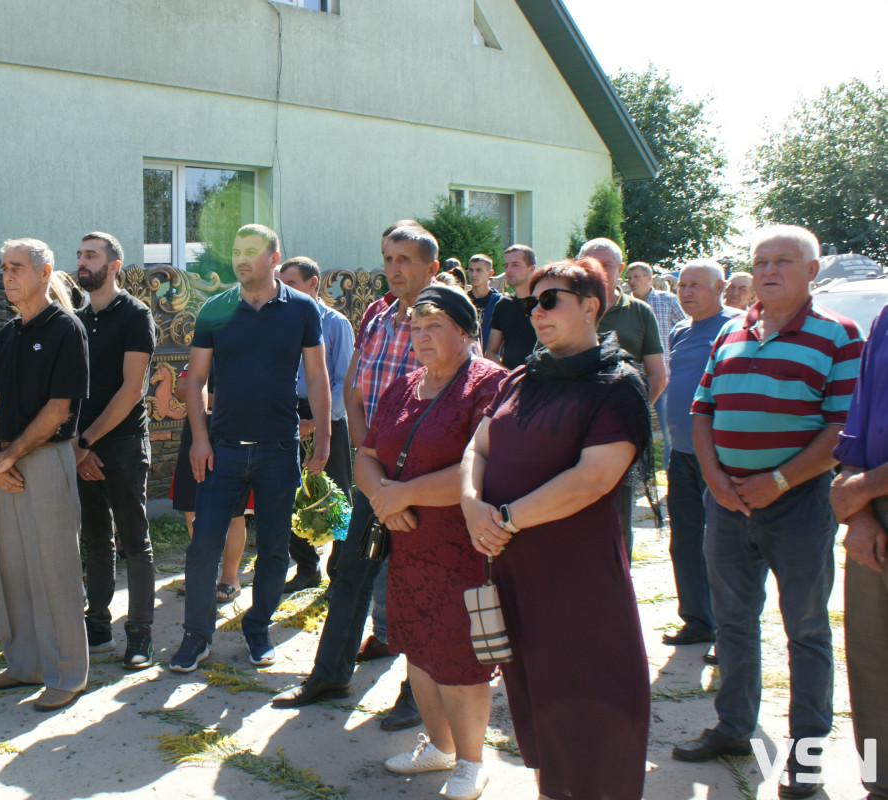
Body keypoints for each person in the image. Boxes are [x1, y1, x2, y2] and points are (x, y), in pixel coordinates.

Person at [673, 226, 862, 799]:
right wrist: (716, 481)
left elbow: (841, 427)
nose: (769, 270)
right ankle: (734, 727)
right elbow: (702, 410)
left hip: (799, 506)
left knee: (805, 630)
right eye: (760, 262)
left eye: (784, 261)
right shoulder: (732, 329)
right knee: (732, 622)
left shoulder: (838, 335)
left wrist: (777, 481)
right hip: (727, 505)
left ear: (813, 270)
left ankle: (806, 755)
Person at [462, 257, 651, 800]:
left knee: (589, 706)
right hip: (514, 572)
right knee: (537, 705)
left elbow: (593, 479)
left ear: (591, 306)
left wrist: (504, 519)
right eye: (529, 302)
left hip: (576, 581)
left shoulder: (616, 384)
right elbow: (477, 446)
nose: (536, 312)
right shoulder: (523, 376)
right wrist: (472, 503)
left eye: (550, 301)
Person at [271, 223, 440, 736]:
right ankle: (329, 675)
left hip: (424, 478)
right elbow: (355, 389)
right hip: (376, 470)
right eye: (389, 257)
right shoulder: (377, 313)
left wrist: (404, 480)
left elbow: (453, 396)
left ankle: (417, 693)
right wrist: (368, 454)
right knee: (351, 571)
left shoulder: (447, 316)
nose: (394, 268)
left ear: (431, 267)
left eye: (405, 259)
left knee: (418, 585)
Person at [365, 286, 506, 800]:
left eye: (434, 328)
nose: (421, 338)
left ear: (466, 332)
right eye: (416, 329)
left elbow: (483, 468)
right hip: (407, 545)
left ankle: (472, 760)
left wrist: (402, 495)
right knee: (418, 649)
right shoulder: (403, 386)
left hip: (461, 547)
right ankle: (441, 748)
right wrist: (385, 499)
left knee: (460, 655)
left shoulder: (489, 385)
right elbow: (366, 453)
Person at [170, 223, 330, 673]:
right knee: (203, 546)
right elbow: (197, 380)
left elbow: (316, 377)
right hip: (221, 450)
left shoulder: (301, 309)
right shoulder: (214, 310)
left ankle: (258, 630)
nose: (241, 259)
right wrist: (199, 439)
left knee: (275, 548)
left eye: (251, 251)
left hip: (279, 450)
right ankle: (196, 637)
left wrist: (324, 438)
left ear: (274, 256)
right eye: (235, 250)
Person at [0, 238, 91, 712]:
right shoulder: (8, 333)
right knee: (14, 570)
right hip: (6, 464)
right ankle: (23, 664)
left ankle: (67, 674)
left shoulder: (66, 329)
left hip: (46, 459)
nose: (8, 275)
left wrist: (11, 455)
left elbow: (59, 408)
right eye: (4, 267)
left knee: (56, 571)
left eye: (17, 267)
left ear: (45, 273)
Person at [71, 232, 159, 669]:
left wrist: (86, 442)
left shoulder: (135, 315)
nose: (82, 262)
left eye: (91, 255)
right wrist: (79, 448)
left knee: (133, 540)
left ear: (114, 265)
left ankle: (140, 635)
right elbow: (69, 391)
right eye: (80, 255)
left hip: (122, 444)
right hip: (82, 446)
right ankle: (97, 623)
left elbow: (131, 390)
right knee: (94, 539)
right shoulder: (76, 321)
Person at [660, 260, 740, 653]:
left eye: (696, 286)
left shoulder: (737, 326)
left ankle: (732, 634)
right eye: (682, 286)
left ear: (720, 287)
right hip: (682, 454)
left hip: (721, 457)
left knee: (725, 547)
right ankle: (697, 621)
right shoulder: (679, 330)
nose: (686, 292)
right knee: (686, 540)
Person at [830, 301, 888, 800]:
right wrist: (860, 508)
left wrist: (864, 486)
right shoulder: (886, 317)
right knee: (872, 661)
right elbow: (859, 418)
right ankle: (880, 781)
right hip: (873, 508)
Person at [578, 238, 667, 553]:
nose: (599, 271)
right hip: (570, 433)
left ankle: (617, 591)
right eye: (591, 263)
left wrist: (634, 416)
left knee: (616, 522)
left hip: (618, 435)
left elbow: (658, 374)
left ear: (620, 270)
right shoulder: (565, 307)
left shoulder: (640, 312)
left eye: (607, 265)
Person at [277, 256, 354, 590]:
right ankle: (306, 568)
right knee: (289, 494)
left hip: (327, 418)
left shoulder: (336, 324)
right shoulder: (278, 322)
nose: (283, 289)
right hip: (286, 415)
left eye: (290, 283)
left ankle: (339, 573)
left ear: (313, 284)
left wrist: (318, 423)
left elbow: (344, 382)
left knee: (335, 497)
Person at [170, 365, 249, 603]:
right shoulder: (204, 344)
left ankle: (230, 579)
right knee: (192, 506)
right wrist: (216, 399)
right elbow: (182, 388)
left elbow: (252, 398)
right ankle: (203, 572)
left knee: (235, 512)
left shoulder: (250, 343)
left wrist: (202, 395)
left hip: (236, 435)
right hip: (196, 431)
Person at [626, 260, 687, 471]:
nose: (632, 281)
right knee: (634, 430)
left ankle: (672, 477)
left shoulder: (667, 300)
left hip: (664, 377)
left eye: (637, 276)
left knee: (670, 430)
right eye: (629, 277)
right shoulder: (625, 306)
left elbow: (686, 329)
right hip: (633, 378)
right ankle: (639, 477)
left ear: (649, 278)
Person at [486, 245, 537, 369]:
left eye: (515, 265)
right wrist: (509, 377)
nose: (508, 270)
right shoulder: (503, 305)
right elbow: (491, 352)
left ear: (531, 268)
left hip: (542, 383)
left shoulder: (545, 304)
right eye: (506, 265)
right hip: (510, 382)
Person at [465, 254, 503, 354]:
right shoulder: (462, 301)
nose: (473, 274)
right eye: (471, 270)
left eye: (479, 270)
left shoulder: (499, 303)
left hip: (491, 359)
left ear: (490, 273)